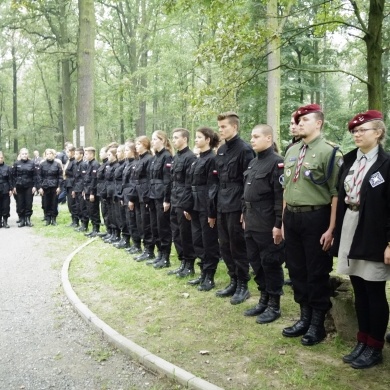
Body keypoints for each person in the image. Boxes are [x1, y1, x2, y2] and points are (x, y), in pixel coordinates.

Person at [332, 110, 390, 369]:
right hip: (351, 225)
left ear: (378, 133)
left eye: (362, 130)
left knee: (374, 290)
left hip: (375, 232)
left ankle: (375, 346)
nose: (356, 134)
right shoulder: (350, 160)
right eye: (354, 131)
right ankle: (362, 340)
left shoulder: (387, 164)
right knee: (358, 287)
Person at [282, 104, 342, 346]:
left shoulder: (331, 153)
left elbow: (336, 193)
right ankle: (303, 317)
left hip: (317, 217)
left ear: (318, 123)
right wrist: (283, 219)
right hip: (292, 217)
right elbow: (286, 187)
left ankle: (317, 324)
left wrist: (331, 229)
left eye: (305, 120)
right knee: (296, 269)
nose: (299, 123)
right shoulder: (292, 150)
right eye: (299, 120)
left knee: (316, 270)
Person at [243, 124, 285, 323]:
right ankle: (263, 299)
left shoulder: (277, 163)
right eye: (251, 136)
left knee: (270, 263)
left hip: (267, 223)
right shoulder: (253, 163)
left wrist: (278, 224)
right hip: (251, 221)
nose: (252, 140)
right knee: (255, 262)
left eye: (256, 136)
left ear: (268, 139)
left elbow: (279, 197)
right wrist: (244, 215)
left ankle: (274, 305)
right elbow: (247, 194)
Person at [214, 112, 255, 304]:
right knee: (224, 245)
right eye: (219, 127)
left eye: (224, 127)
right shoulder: (221, 150)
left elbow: (248, 181)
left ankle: (243, 285)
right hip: (222, 202)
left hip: (236, 203)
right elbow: (218, 179)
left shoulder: (245, 149)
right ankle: (233, 280)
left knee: (237, 245)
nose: (220, 130)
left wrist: (244, 209)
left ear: (235, 127)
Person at [185, 127, 220, 291]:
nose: (196, 140)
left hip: (206, 205)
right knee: (197, 240)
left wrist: (211, 211)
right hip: (195, 204)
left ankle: (210, 276)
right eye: (196, 137)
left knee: (209, 241)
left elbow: (212, 187)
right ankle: (202, 273)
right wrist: (188, 206)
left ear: (208, 140)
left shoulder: (212, 159)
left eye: (199, 137)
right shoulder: (197, 159)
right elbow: (190, 185)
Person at [168, 128, 197, 273]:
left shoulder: (190, 157)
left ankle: (189, 264)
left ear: (185, 139)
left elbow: (189, 184)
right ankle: (182, 263)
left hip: (183, 200)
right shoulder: (176, 157)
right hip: (174, 198)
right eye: (172, 138)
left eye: (176, 137)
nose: (173, 140)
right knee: (177, 233)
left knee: (185, 234)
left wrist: (187, 205)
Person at [147, 130, 174, 268]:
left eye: (155, 139)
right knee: (154, 226)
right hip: (152, 195)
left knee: (163, 227)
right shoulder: (154, 158)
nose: (153, 141)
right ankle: (159, 254)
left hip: (161, 195)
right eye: (152, 139)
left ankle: (165, 257)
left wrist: (166, 199)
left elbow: (168, 180)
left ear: (162, 140)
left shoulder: (167, 157)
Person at [131, 136, 155, 262]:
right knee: (141, 223)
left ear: (145, 145)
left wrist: (147, 197)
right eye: (136, 144)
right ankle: (145, 249)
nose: (136, 146)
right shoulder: (139, 160)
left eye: (139, 144)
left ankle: (149, 250)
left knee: (146, 224)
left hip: (145, 195)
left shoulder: (148, 159)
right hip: (138, 195)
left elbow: (150, 180)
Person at [12, 148, 37, 227]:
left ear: (28, 154)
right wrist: (14, 187)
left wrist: (35, 186)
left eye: (26, 153)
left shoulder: (32, 163)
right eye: (23, 154)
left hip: (29, 186)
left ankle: (28, 219)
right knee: (20, 203)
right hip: (19, 186)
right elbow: (13, 176)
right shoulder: (16, 163)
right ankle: (22, 219)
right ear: (20, 154)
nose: (24, 155)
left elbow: (35, 176)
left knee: (29, 203)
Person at [37, 149, 63, 226]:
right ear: (45, 155)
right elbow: (39, 177)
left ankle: (54, 219)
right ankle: (47, 219)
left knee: (54, 203)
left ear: (53, 155)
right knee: (46, 203)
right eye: (47, 154)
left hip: (54, 186)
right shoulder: (42, 165)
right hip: (45, 187)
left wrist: (59, 186)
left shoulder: (57, 164)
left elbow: (60, 176)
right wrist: (40, 187)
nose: (49, 155)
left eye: (50, 154)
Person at [82, 147, 101, 234]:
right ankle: (93, 228)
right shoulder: (88, 164)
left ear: (91, 154)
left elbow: (94, 180)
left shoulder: (95, 164)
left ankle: (96, 229)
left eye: (86, 154)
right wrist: (84, 190)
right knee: (89, 210)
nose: (85, 156)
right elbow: (86, 179)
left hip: (92, 191)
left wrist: (92, 193)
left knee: (94, 210)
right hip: (87, 190)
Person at [64, 146, 78, 227]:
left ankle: (76, 221)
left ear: (73, 152)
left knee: (73, 203)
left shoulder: (74, 162)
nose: (67, 153)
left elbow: (75, 175)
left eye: (68, 152)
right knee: (69, 203)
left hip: (72, 184)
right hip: (68, 184)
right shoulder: (68, 161)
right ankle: (73, 220)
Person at [0, 151, 13, 228]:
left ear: (3, 158)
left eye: (1, 158)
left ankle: (5, 221)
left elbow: (10, 179)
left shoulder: (7, 168)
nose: (0, 159)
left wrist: (11, 189)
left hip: (5, 188)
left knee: (6, 206)